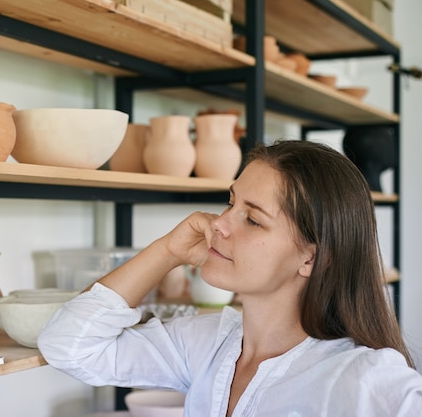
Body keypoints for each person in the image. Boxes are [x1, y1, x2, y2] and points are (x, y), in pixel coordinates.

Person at [38, 140, 422, 416]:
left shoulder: (362, 377)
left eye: (253, 219)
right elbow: (70, 346)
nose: (219, 223)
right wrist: (166, 251)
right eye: (230, 202)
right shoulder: (207, 342)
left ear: (311, 258)